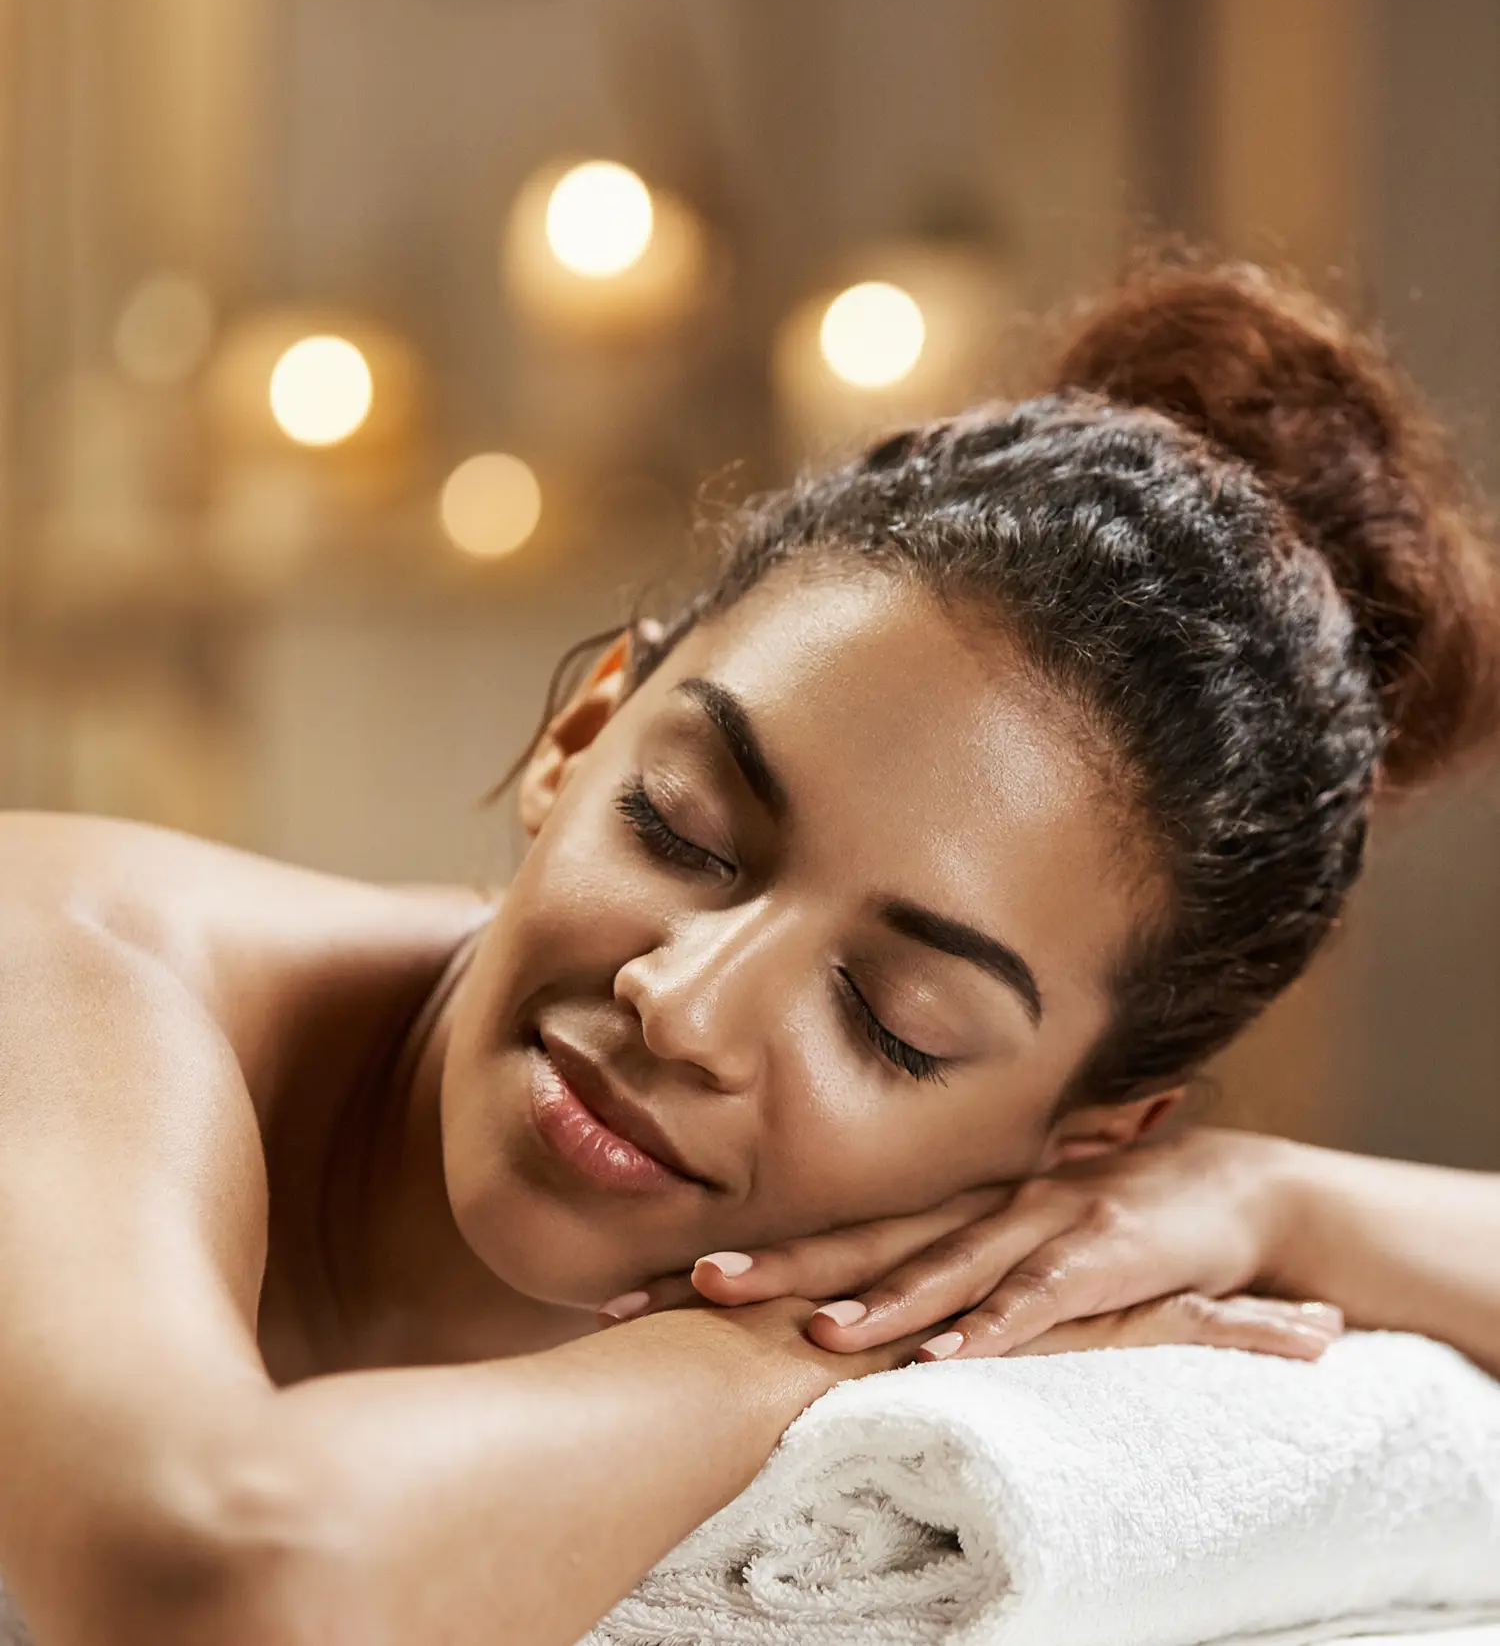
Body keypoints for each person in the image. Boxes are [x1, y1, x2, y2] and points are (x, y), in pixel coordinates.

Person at [2, 258, 1498, 1646]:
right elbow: (205, 1574)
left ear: (1082, 1143)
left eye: (893, 1022)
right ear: (582, 734)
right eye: (683, 831)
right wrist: (814, 1352)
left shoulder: (1109, 1219)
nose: (686, 1006)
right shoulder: (67, 955)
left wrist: (1263, 1195)